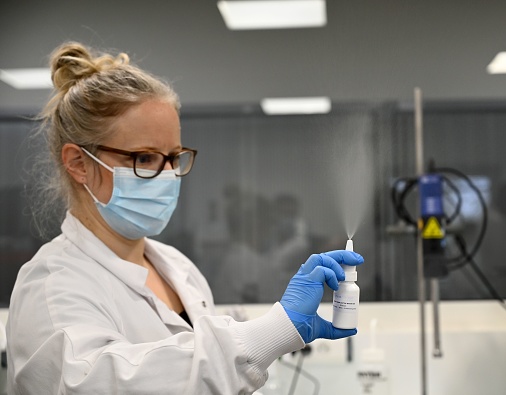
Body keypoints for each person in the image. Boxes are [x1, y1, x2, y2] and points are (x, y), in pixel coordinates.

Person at [6, 42, 364, 394]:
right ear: (79, 164)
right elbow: (105, 386)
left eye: (174, 158)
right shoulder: (51, 289)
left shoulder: (179, 269)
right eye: (145, 159)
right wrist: (275, 330)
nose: (166, 175)